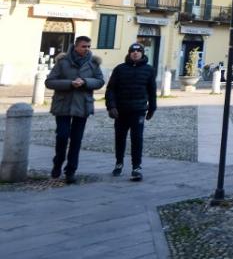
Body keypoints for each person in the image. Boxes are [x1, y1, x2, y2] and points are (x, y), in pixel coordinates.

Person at [45, 36, 104, 183]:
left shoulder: (93, 63)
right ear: (76, 46)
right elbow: (50, 81)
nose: (87, 49)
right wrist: (70, 84)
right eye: (84, 46)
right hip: (63, 104)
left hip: (82, 105)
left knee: (76, 139)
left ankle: (71, 171)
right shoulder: (63, 62)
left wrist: (85, 82)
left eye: (89, 46)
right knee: (62, 136)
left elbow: (100, 81)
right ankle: (57, 164)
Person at [105, 43, 157, 181]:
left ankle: (136, 167)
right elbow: (111, 89)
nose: (135, 53)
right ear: (129, 53)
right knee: (120, 138)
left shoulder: (149, 70)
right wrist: (111, 106)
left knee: (137, 139)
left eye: (138, 51)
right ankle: (119, 163)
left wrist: (152, 108)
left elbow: (152, 91)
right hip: (121, 110)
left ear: (142, 53)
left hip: (138, 110)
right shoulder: (119, 69)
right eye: (133, 51)